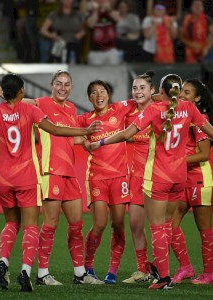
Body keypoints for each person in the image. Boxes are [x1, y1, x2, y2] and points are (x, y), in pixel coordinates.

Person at [87, 73, 213, 289]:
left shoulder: (154, 110)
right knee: (168, 225)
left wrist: (101, 143)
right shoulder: (190, 109)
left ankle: (164, 278)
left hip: (159, 177)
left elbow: (127, 134)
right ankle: (175, 271)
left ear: (160, 91)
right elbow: (210, 132)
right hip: (180, 177)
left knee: (158, 227)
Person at [0, 74, 102, 292]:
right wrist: (3, 93)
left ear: (72, 87)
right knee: (47, 225)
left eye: (67, 84)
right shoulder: (40, 104)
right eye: (58, 83)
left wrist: (85, 141)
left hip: (66, 173)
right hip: (47, 171)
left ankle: (79, 272)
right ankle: (42, 272)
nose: (63, 87)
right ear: (50, 86)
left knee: (76, 224)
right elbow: (51, 127)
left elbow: (68, 136)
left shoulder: (71, 109)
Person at [77, 80, 136, 283]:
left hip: (120, 177)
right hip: (96, 177)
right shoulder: (85, 119)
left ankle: (112, 271)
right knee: (99, 224)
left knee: (118, 224)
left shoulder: (120, 109)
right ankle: (88, 267)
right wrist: (85, 140)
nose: (98, 95)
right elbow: (68, 135)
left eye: (102, 91)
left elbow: (142, 98)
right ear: (89, 98)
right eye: (93, 93)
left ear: (108, 95)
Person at [171, 78, 213, 285]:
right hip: (181, 178)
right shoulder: (179, 119)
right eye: (180, 91)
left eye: (187, 92)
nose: (181, 95)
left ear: (197, 98)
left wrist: (175, 161)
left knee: (203, 227)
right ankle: (185, 267)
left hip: (199, 178)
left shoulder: (199, 120)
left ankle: (209, 272)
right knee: (169, 225)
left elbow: (204, 154)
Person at [122, 71, 155, 283]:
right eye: (135, 88)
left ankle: (163, 269)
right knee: (135, 223)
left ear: (152, 90)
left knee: (160, 226)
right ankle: (142, 269)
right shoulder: (128, 113)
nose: (138, 91)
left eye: (142, 87)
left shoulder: (161, 111)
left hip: (157, 175)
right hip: (136, 176)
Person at [85, 0, 122, 65]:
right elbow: (90, 24)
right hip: (95, 52)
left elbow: (119, 19)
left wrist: (109, 10)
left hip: (111, 50)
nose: (101, 1)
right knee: (95, 74)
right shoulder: (91, 12)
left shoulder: (112, 11)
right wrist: (96, 11)